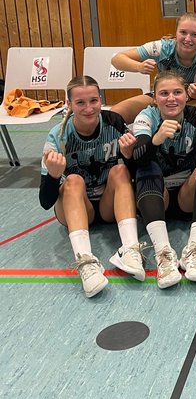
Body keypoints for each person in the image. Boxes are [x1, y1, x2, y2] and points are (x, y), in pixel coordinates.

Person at [130, 71, 196, 288]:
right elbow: (138, 158)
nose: (171, 98)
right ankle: (164, 254)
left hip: (185, 198)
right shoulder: (147, 117)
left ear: (187, 96)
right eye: (164, 93)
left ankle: (193, 250)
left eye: (177, 92)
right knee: (148, 167)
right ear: (154, 98)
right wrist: (156, 139)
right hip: (155, 198)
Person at [39, 75, 144, 298]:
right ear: (69, 104)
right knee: (73, 180)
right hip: (77, 207)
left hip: (108, 205)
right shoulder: (58, 136)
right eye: (80, 102)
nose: (89, 108)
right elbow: (45, 202)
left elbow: (136, 177)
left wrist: (129, 156)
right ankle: (86, 263)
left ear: (100, 100)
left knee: (120, 170)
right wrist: (54, 176)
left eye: (94, 101)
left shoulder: (114, 123)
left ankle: (130, 250)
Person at [111, 12, 196, 123]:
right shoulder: (162, 48)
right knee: (115, 114)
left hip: (192, 101)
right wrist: (139, 66)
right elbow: (117, 59)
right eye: (183, 32)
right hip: (161, 97)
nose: (188, 39)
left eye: (195, 35)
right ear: (176, 32)